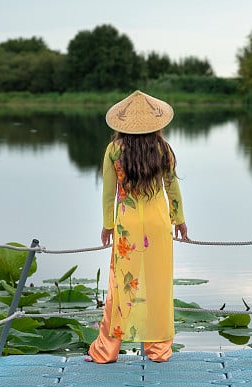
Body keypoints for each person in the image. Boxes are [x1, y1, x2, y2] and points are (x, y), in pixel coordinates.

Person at [86, 90, 188, 364]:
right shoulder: (163, 149)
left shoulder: (114, 150)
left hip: (127, 227)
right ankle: (158, 351)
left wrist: (108, 225)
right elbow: (172, 188)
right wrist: (179, 220)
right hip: (158, 224)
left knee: (120, 286)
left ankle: (106, 351)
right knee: (158, 284)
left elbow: (109, 193)